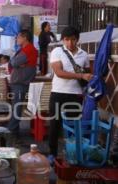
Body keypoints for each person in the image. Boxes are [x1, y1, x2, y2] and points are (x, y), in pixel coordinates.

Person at [48, 26, 93, 163]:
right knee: (55, 125)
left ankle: (72, 153)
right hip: (57, 93)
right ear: (62, 40)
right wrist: (81, 75)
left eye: (73, 40)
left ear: (77, 40)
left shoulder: (84, 55)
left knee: (75, 126)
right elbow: (59, 73)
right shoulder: (57, 51)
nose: (70, 43)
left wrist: (88, 78)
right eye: (66, 40)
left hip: (75, 94)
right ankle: (52, 154)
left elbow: (87, 75)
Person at [7, 29, 38, 134]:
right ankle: (13, 130)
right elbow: (13, 62)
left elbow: (14, 62)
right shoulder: (23, 49)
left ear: (25, 38)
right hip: (19, 82)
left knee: (17, 107)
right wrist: (15, 62)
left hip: (20, 82)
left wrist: (15, 62)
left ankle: (11, 131)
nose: (17, 39)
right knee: (17, 106)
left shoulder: (28, 49)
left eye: (19, 37)